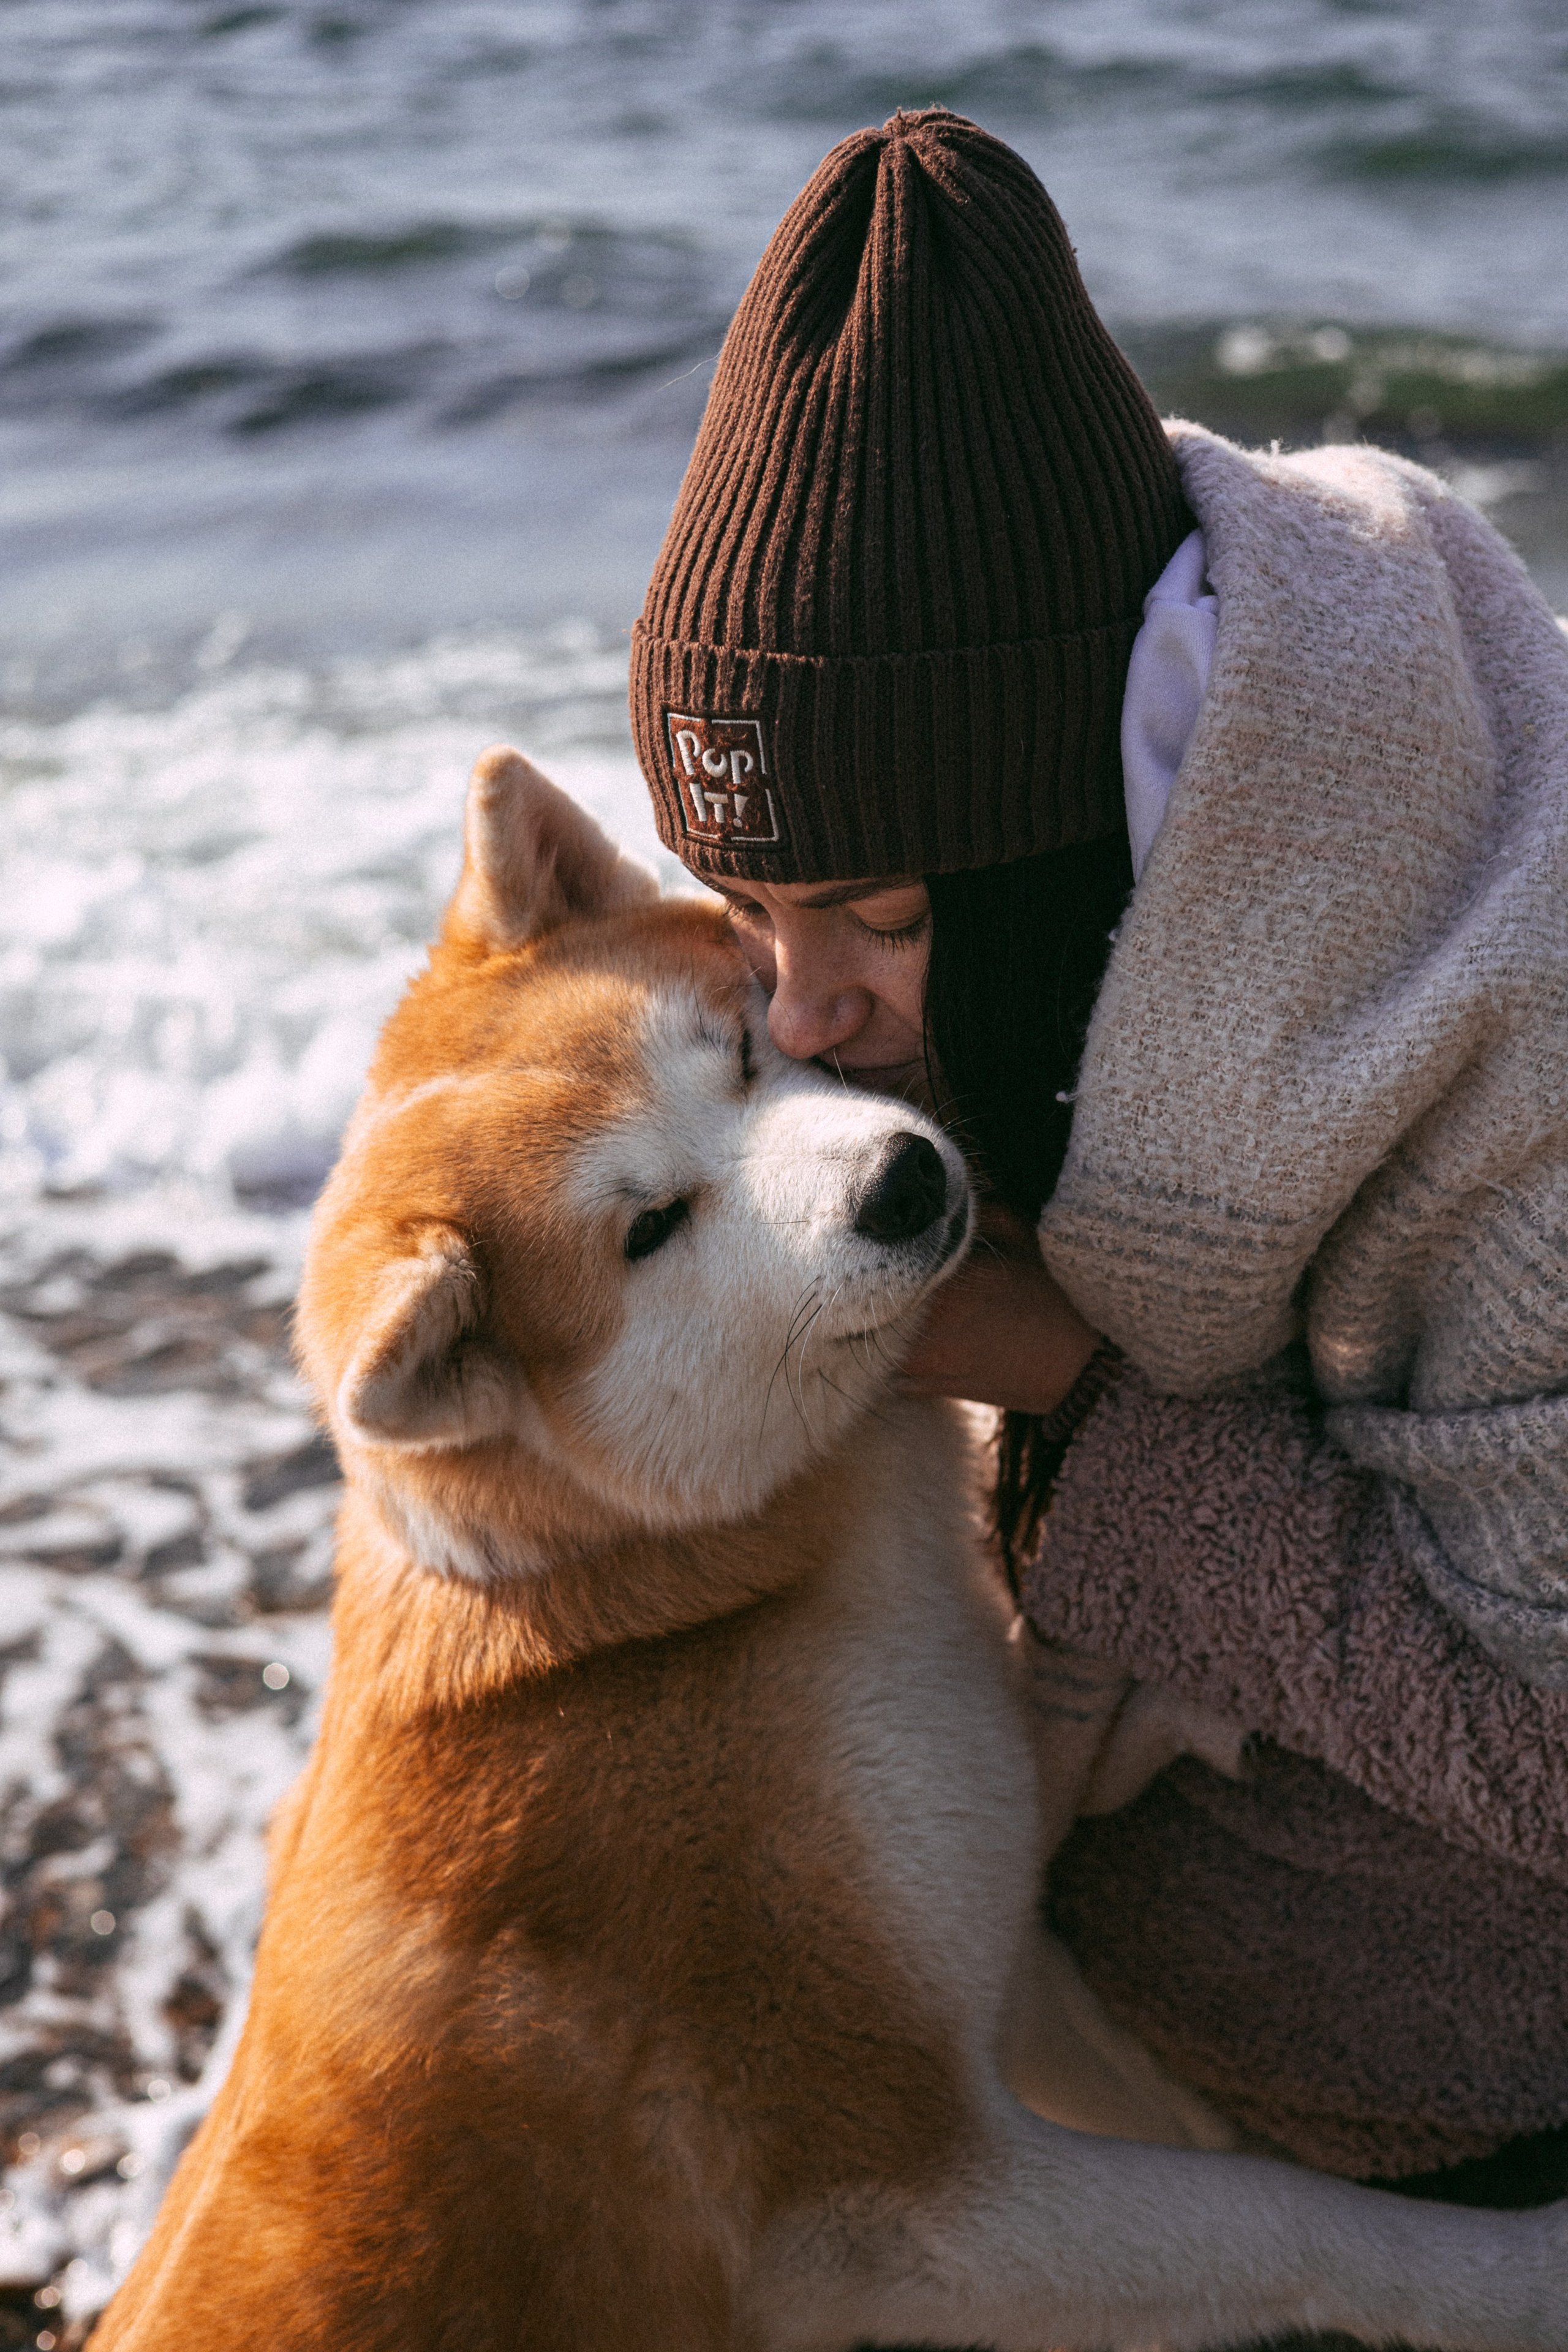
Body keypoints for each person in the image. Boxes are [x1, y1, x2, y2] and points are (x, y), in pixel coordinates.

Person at [630, 108, 1568, 2202]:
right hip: (1120, 1984)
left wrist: (1059, 1366)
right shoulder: (1096, 847)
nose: (800, 1019)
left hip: (1431, 2120)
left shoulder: (1525, 1099)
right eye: (749, 902)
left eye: (883, 918)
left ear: (1078, 840)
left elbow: (1549, 1741)